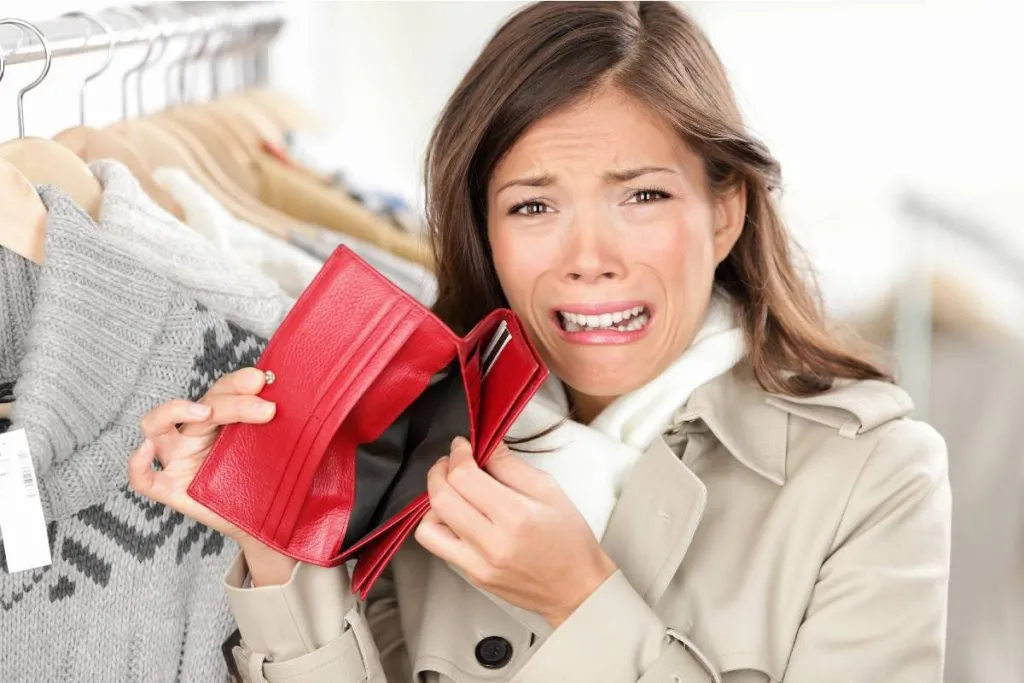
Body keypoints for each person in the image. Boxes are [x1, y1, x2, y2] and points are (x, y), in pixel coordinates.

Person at [128, 2, 951, 681]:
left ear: (726, 210)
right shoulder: (412, 432)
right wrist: (275, 543)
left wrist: (581, 601)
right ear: (483, 231)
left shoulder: (872, 477)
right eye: (533, 206)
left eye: (643, 196)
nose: (590, 259)